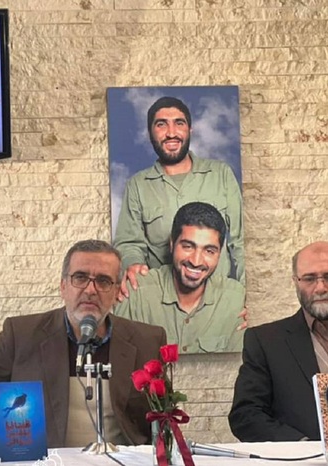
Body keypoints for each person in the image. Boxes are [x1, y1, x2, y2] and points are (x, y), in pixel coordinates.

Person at [0, 239, 166, 450]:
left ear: (117, 291)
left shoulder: (147, 341)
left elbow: (162, 418)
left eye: (103, 281)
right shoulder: (22, 336)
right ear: (63, 286)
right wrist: (2, 442)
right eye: (80, 277)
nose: (91, 290)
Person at [113, 96, 245, 299]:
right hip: (160, 302)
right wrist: (133, 264)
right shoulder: (137, 185)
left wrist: (243, 296)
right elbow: (129, 243)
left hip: (218, 301)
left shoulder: (221, 174)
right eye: (161, 124)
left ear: (190, 130)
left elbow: (240, 243)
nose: (171, 132)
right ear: (150, 133)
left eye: (179, 123)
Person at [229, 241, 328, 442]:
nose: (320, 287)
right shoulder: (265, 342)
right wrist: (301, 446)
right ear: (295, 282)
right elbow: (246, 415)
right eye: (309, 278)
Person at [115, 202, 245, 353]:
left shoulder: (236, 300)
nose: (196, 261)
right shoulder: (135, 294)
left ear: (219, 253)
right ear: (172, 244)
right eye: (188, 246)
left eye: (209, 251)